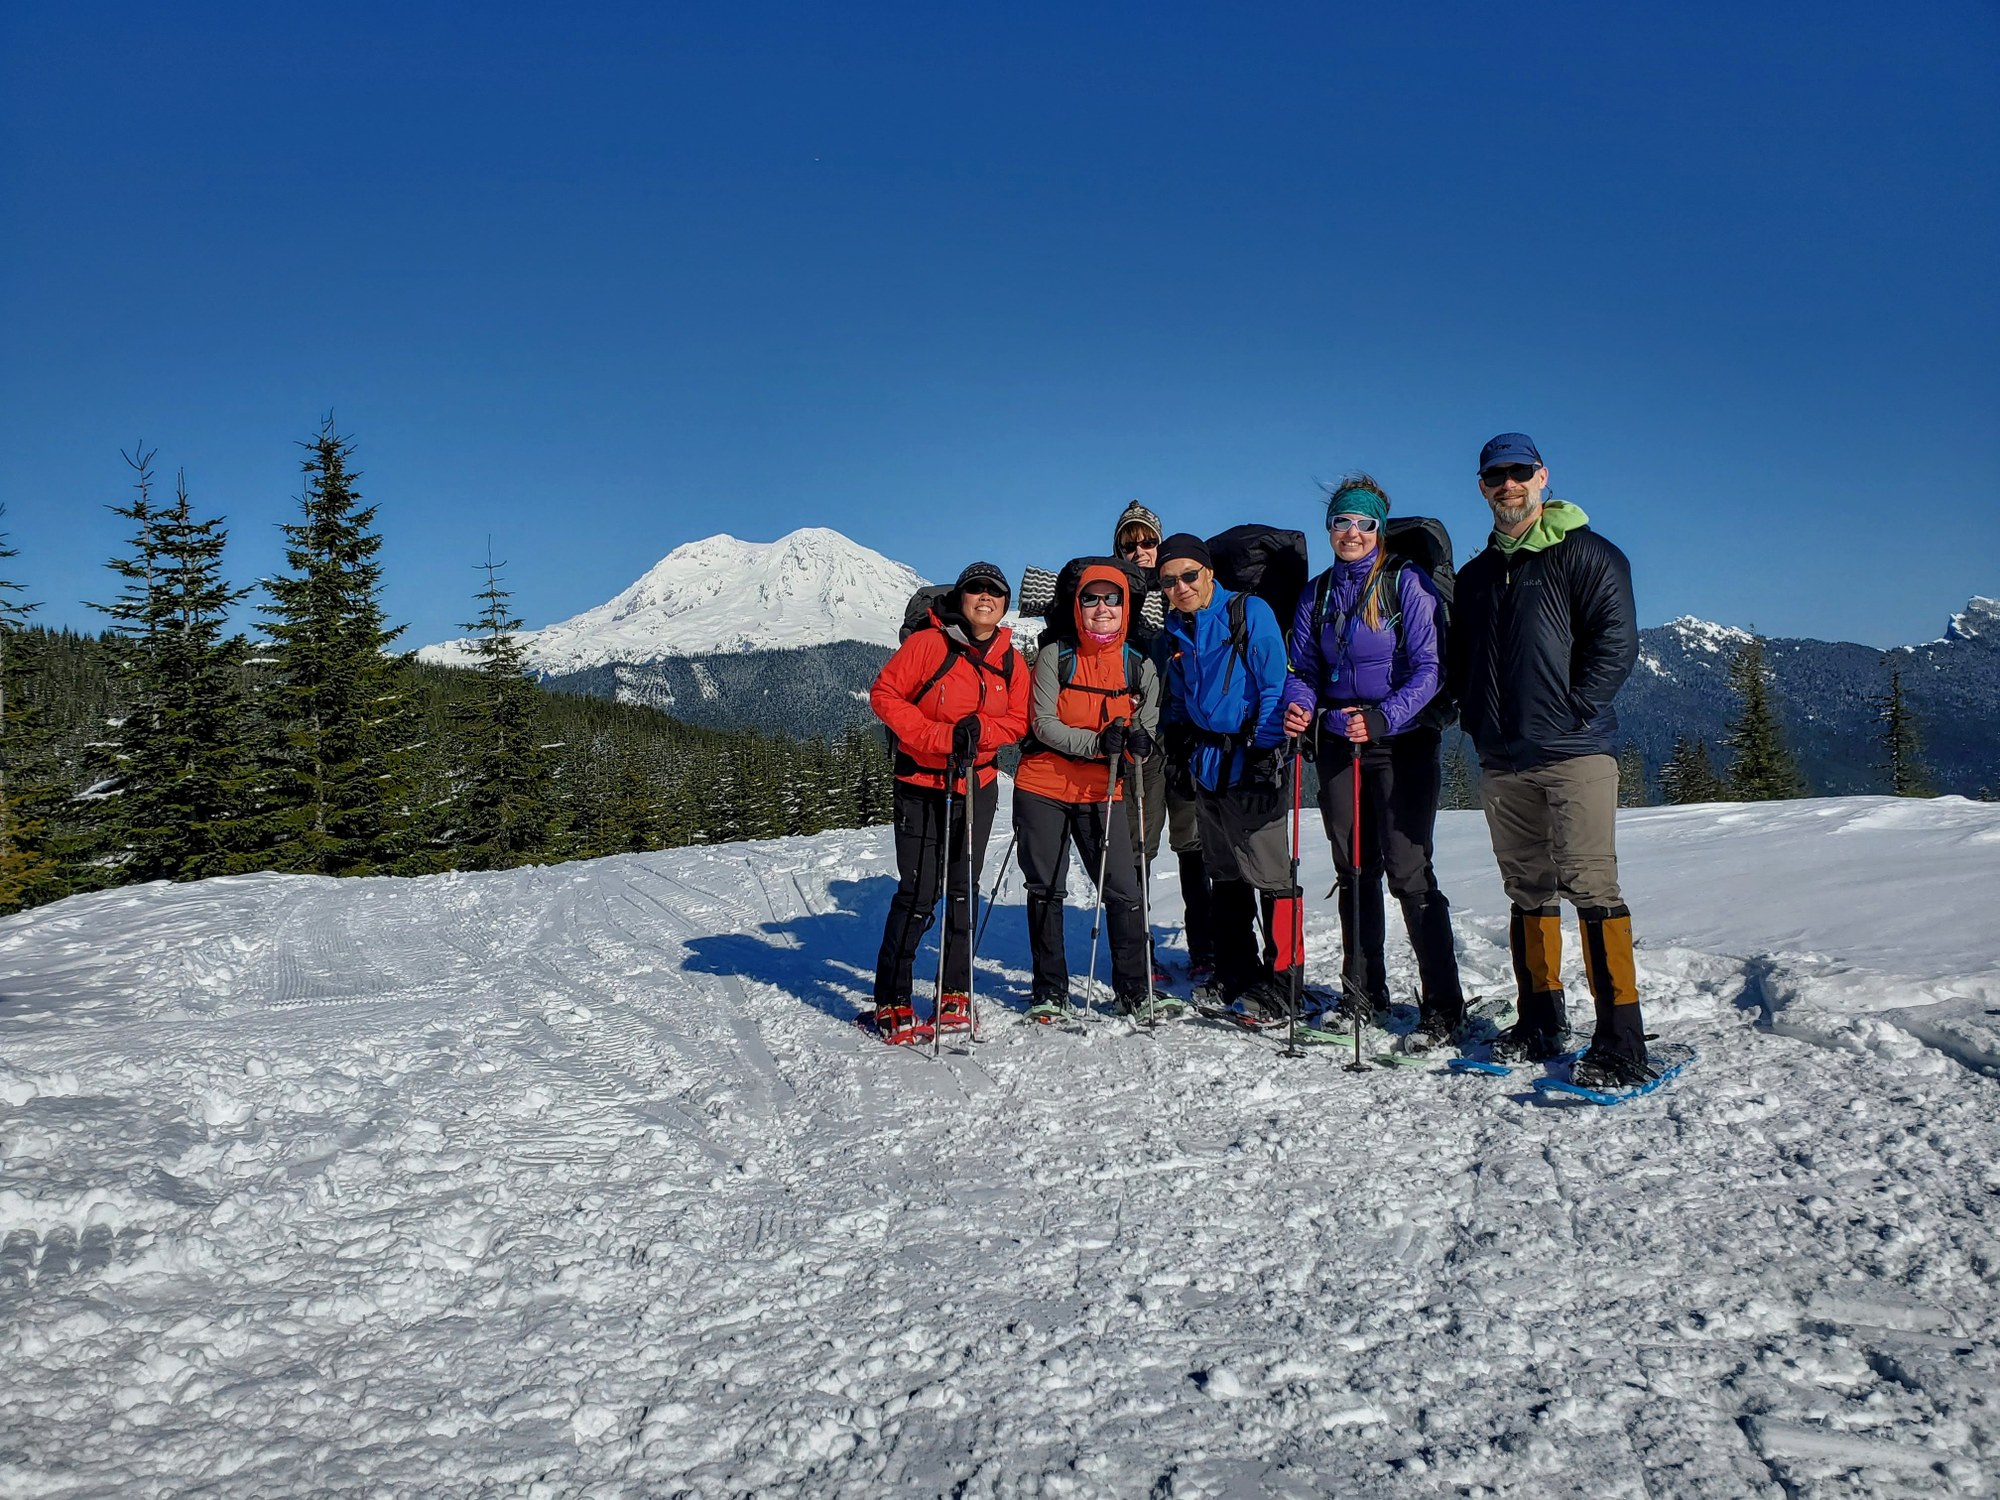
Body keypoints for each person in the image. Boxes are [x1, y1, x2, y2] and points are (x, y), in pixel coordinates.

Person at [1456, 433, 1652, 1087]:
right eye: (1496, 476)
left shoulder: (1590, 554)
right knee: (1527, 889)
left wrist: (1574, 709)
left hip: (1575, 751)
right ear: (1483, 487)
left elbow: (1616, 640)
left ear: (1542, 477)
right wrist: (1476, 721)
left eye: (1519, 472)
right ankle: (1540, 1019)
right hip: (1502, 759)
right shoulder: (1477, 576)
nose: (1507, 484)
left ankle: (1621, 1038)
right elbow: (1463, 660)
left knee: (1592, 887)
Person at [1280, 475, 1466, 1047]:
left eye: (1364, 523)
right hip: (1339, 742)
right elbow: (1303, 669)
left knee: (1408, 870)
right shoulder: (1317, 594)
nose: (1352, 532)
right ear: (1329, 526)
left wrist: (1385, 717)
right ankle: (1363, 993)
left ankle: (1445, 1006)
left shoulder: (1406, 583)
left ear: (1379, 529)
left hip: (1400, 741)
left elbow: (1430, 668)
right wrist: (1299, 706)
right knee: (1354, 869)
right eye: (1343, 521)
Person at [868, 562, 1028, 1043]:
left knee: (963, 888)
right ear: (961, 598)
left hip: (977, 784)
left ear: (1004, 604)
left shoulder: (1010, 659)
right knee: (918, 892)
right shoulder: (928, 644)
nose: (986, 597)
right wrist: (940, 737)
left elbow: (1019, 720)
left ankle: (954, 989)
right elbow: (885, 695)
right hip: (920, 783)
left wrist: (981, 731)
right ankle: (892, 996)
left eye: (995, 591)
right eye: (976, 589)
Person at [1013, 558, 1163, 1020]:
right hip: (1043, 785)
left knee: (1123, 889)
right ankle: (1050, 990)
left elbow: (1146, 731)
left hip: (1103, 791)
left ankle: (1133, 989)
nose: (1102, 608)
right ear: (1077, 606)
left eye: (1112, 599)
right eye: (1091, 599)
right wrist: (1098, 743)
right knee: (1046, 889)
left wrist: (1138, 745)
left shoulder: (1140, 666)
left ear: (1126, 606)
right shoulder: (1055, 656)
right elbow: (1043, 723)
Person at [1156, 533, 1295, 1016]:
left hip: (1253, 758)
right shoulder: (1177, 626)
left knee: (1272, 876)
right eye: (1169, 581)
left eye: (1189, 575)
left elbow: (1275, 683)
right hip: (1208, 765)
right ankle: (1237, 971)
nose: (1180, 587)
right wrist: (1178, 744)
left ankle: (1285, 982)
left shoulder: (1248, 612)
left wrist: (1265, 754)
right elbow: (1180, 694)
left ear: (1209, 573)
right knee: (1225, 874)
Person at [1111, 501, 1215, 988]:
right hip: (1143, 739)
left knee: (1193, 844)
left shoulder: (1182, 592)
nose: (1139, 551)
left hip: (1187, 736)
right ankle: (1140, 949)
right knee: (1141, 845)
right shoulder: (1115, 601)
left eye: (1147, 541)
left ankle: (1205, 948)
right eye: (1129, 544)